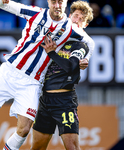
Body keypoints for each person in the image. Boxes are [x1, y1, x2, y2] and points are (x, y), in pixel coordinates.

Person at [0, 0, 95, 149]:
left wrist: (86, 58)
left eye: (60, 2)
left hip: (32, 82)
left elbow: (90, 42)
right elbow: (3, 5)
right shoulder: (36, 13)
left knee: (24, 130)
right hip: (10, 72)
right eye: (54, 2)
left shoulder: (70, 28)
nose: (57, 5)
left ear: (65, 4)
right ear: (48, 2)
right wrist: (0, 1)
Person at [31, 1, 93, 150]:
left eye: (82, 19)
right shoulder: (53, 38)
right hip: (45, 101)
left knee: (72, 147)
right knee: (37, 148)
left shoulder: (80, 45)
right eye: (76, 16)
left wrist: (52, 53)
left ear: (84, 26)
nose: (77, 20)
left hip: (64, 102)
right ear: (69, 16)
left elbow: (71, 68)